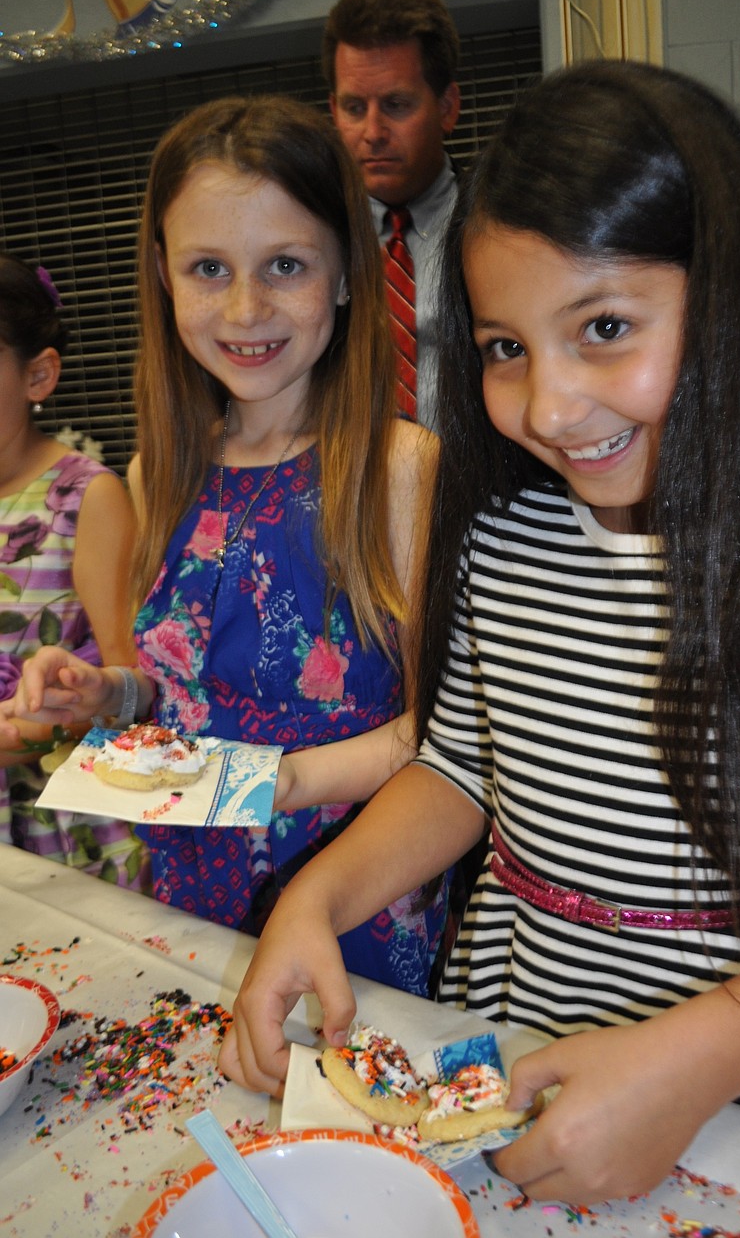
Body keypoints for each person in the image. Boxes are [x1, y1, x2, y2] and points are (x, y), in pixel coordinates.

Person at [216, 62, 740, 1204]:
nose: (549, 407)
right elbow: (463, 767)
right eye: (506, 347)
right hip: (503, 1042)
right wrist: (318, 897)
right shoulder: (508, 533)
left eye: (603, 326)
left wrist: (695, 1057)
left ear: (737, 294)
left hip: (732, 1095)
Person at [0, 95, 447, 998]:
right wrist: (108, 691)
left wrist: (270, 785)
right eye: (210, 268)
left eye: (285, 264)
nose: (246, 308)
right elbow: (184, 687)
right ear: (164, 277)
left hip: (346, 901)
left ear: (347, 274)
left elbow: (443, 733)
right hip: (189, 892)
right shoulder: (160, 467)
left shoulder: (399, 468)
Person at [0, 252, 144, 887]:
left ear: (38, 375)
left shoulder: (86, 497)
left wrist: (39, 720)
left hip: (63, 833)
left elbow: (133, 692)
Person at [323, 0, 461, 430]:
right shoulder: (311, 242)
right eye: (354, 107)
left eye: (396, 104)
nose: (373, 131)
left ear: (447, 107)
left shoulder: (496, 228)